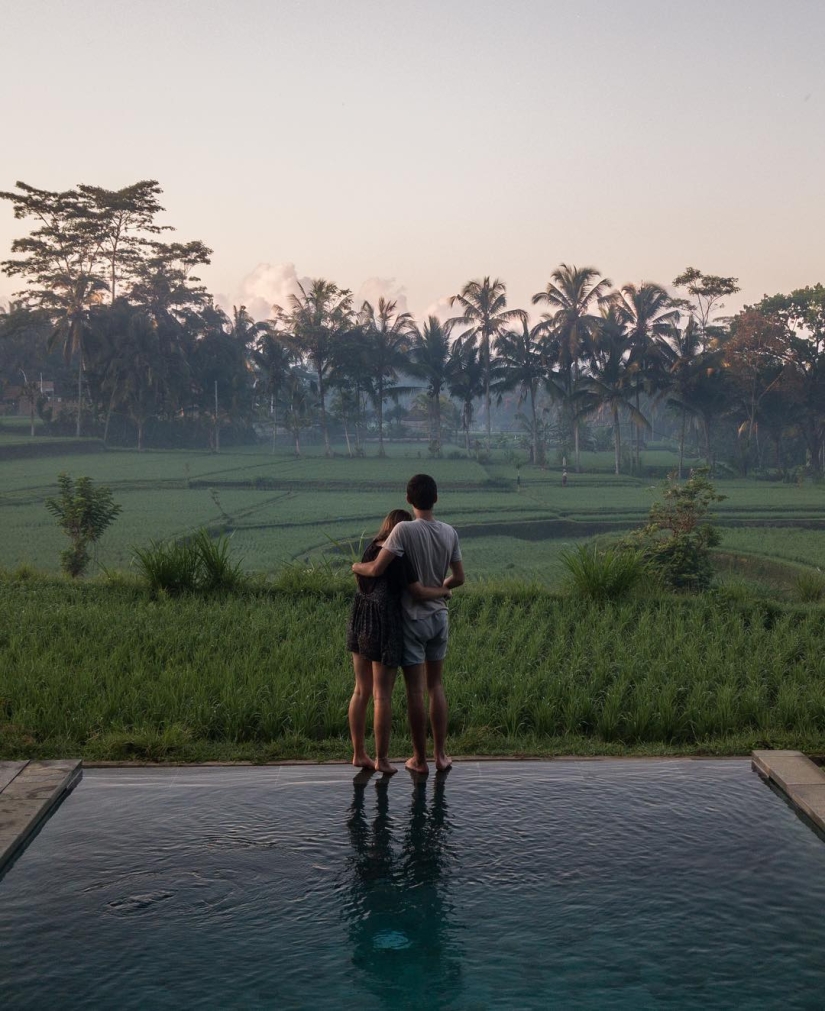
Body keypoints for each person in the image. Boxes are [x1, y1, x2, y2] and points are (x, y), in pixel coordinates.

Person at [352, 474, 464, 775]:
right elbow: (460, 578)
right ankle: (441, 755)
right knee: (436, 685)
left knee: (415, 691)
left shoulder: (403, 529)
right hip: (439, 617)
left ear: (408, 499)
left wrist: (354, 566)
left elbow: (376, 568)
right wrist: (442, 587)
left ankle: (419, 759)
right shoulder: (449, 532)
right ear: (436, 499)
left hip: (413, 619)